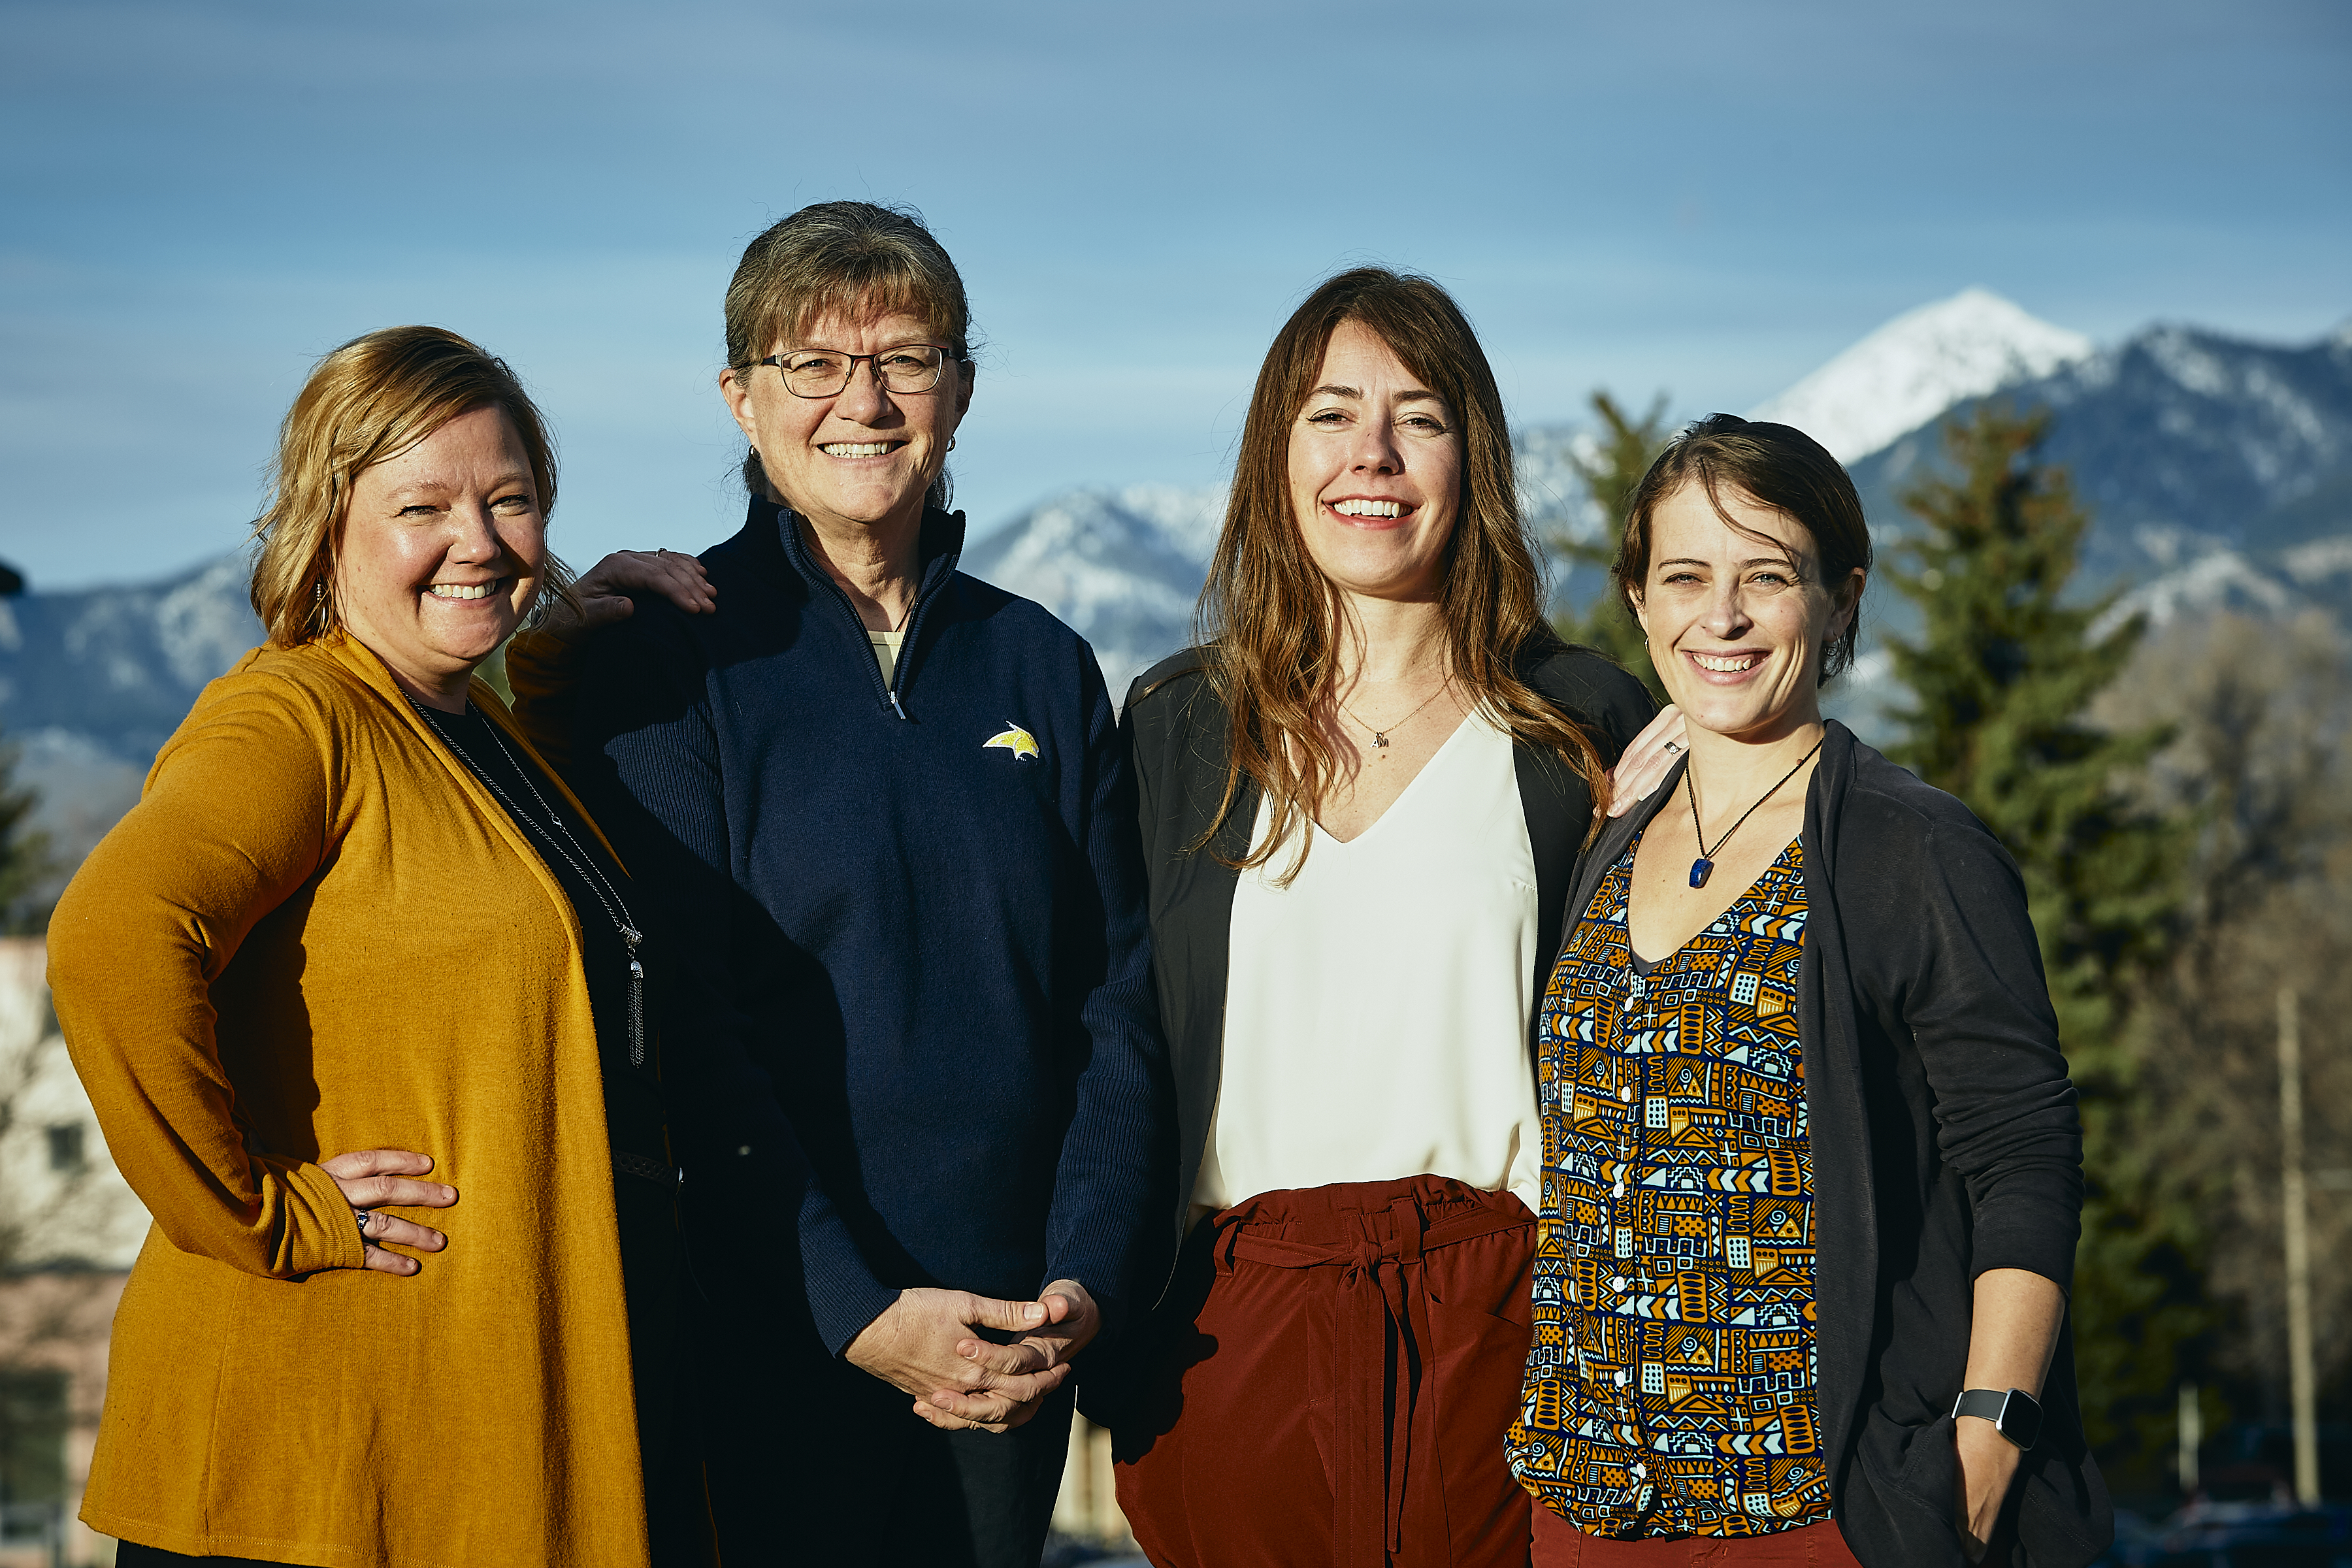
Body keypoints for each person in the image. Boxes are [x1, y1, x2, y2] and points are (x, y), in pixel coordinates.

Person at [503, 200, 1173, 1566]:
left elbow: (1115, 1004)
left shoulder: (1041, 664)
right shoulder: (669, 662)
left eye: (908, 358)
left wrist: (1081, 1285)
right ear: (742, 400)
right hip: (773, 1332)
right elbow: (688, 1028)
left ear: (962, 391)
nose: (862, 401)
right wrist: (857, 1307)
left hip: (1013, 1343)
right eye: (812, 363)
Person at [49, 325, 721, 1565]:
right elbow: (113, 938)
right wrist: (258, 1211)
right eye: (424, 505)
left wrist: (565, 656)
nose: (477, 539)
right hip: (311, 1464)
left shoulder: (474, 733)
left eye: (509, 500)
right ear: (329, 524)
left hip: (452, 1441)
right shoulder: (297, 718)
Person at [1098, 267, 1659, 1567]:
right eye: (1331, 415)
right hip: (1231, 1333)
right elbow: (1101, 1033)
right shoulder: (1180, 725)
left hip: (1509, 1323)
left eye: (1419, 416)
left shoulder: (1582, 723)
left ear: (1473, 458)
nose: (1375, 455)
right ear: (1274, 458)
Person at [1508, 414, 2111, 1567]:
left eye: (1767, 577)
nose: (1720, 617)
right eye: (1684, 575)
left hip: (1816, 1513)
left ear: (1840, 598)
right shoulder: (1609, 844)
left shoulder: (1912, 849)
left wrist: (1983, 1452)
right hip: (1584, 1505)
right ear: (1638, 597)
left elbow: (2022, 1156)